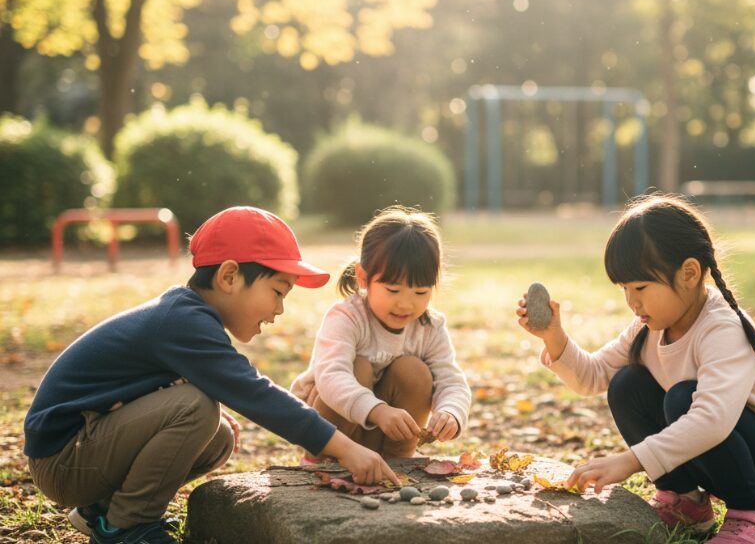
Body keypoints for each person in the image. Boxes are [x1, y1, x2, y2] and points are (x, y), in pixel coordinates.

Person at [24, 206, 398, 544]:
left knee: (216, 435)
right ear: (229, 276)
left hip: (81, 450)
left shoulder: (186, 316)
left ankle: (101, 511)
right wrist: (346, 448)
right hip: (63, 460)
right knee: (197, 408)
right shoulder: (183, 322)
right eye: (277, 291)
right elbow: (254, 392)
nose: (280, 309)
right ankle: (126, 529)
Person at [516, 195, 755, 544]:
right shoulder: (649, 329)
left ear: (689, 273)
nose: (632, 301)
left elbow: (712, 419)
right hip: (716, 448)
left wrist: (631, 460)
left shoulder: (722, 328)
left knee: (683, 398)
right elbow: (593, 376)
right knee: (627, 384)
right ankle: (685, 502)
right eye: (625, 288)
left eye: (641, 287)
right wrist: (554, 336)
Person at [291, 207, 471, 460]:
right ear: (363, 278)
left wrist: (450, 412)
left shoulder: (430, 327)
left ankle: (398, 460)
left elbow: (451, 380)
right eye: (393, 290)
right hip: (331, 432)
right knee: (359, 368)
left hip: (384, 436)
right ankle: (320, 461)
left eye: (420, 292)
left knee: (414, 371)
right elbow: (331, 377)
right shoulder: (347, 317)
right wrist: (377, 410)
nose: (405, 304)